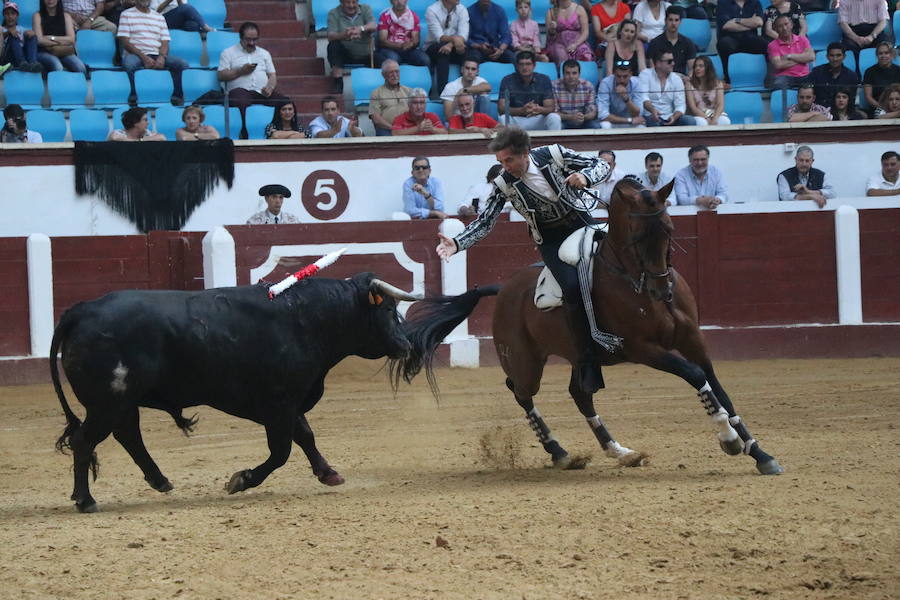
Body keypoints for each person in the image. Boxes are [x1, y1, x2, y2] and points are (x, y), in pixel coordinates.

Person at [434, 127, 612, 394]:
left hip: (582, 222)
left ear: (525, 153)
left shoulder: (555, 154)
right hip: (552, 240)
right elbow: (486, 221)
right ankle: (586, 360)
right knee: (572, 288)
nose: (505, 168)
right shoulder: (504, 183)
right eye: (501, 163)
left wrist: (585, 178)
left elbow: (601, 165)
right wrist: (457, 243)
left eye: (509, 161)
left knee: (619, 265)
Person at [217, 22, 289, 134]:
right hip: (240, 92)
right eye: (248, 40)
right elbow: (221, 75)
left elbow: (272, 75)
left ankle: (277, 131)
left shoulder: (264, 53)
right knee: (241, 100)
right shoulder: (228, 53)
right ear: (240, 38)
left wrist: (270, 87)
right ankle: (245, 133)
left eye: (255, 39)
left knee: (284, 102)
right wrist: (241, 71)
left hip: (261, 92)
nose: (251, 43)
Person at [118, 0, 188, 106]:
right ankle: (134, 96)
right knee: (128, 64)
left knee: (182, 64)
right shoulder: (126, 14)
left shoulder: (159, 17)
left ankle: (176, 96)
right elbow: (125, 42)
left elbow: (165, 42)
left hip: (156, 53)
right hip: (136, 54)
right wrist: (144, 57)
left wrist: (162, 57)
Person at [498, 50, 562, 130]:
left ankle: (554, 142)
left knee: (554, 117)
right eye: (521, 64)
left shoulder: (544, 79)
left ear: (534, 65)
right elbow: (501, 108)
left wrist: (538, 109)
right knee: (503, 118)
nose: (525, 67)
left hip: (537, 118)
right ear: (517, 66)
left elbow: (550, 108)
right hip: (517, 119)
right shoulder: (507, 80)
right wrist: (522, 110)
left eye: (528, 64)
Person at [638, 49, 700, 126]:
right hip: (650, 115)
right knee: (654, 122)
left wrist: (674, 117)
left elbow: (680, 105)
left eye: (673, 60)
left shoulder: (676, 79)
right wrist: (653, 110)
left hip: (669, 115)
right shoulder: (645, 75)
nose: (673, 63)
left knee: (690, 121)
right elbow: (644, 98)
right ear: (658, 63)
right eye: (669, 61)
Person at [327, 0, 376, 93]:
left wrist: (360, 29)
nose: (351, 5)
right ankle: (338, 83)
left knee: (385, 60)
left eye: (354, 2)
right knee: (333, 46)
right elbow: (330, 36)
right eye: (348, 2)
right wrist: (345, 35)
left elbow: (373, 25)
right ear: (341, 3)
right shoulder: (333, 13)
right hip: (346, 54)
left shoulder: (365, 8)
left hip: (366, 53)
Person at [424, 0, 469, 96]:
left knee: (468, 51)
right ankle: (443, 93)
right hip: (434, 46)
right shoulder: (432, 10)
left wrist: (451, 44)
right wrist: (454, 40)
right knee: (443, 52)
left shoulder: (462, 9)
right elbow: (439, 37)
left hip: (454, 45)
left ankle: (468, 90)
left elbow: (463, 35)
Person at [715, 0, 767, 83]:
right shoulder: (723, 3)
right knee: (724, 44)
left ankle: (764, 79)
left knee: (763, 44)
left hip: (749, 38)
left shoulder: (755, 2)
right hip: (730, 38)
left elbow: (759, 22)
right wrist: (750, 24)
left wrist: (737, 20)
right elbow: (726, 25)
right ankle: (728, 79)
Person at [33, 0, 86, 73]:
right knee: (57, 66)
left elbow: (71, 39)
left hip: (63, 51)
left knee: (81, 67)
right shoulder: (37, 16)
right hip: (43, 51)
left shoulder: (66, 16)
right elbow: (40, 40)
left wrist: (51, 38)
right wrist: (62, 41)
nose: (50, 0)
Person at [375, 0, 429, 68]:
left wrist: (411, 44)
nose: (399, 2)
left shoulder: (413, 16)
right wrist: (400, 45)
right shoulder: (384, 16)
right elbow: (383, 41)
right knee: (393, 60)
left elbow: (416, 40)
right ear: (391, 1)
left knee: (424, 59)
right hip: (389, 49)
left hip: (408, 49)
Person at [766, 13, 814, 90]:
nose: (784, 28)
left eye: (786, 24)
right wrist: (802, 59)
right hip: (784, 77)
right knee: (778, 85)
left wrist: (790, 56)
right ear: (775, 29)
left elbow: (811, 57)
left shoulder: (803, 40)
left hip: (804, 75)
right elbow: (778, 65)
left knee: (819, 82)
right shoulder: (772, 45)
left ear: (791, 25)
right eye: (780, 26)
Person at [647, 6, 697, 77]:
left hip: (681, 80)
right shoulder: (655, 43)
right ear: (665, 21)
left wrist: (687, 81)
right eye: (670, 20)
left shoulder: (688, 43)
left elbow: (691, 70)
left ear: (680, 22)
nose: (673, 23)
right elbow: (652, 70)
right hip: (660, 80)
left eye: (676, 20)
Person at [807, 42, 859, 109]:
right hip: (820, 112)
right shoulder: (816, 72)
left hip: (842, 112)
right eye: (832, 55)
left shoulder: (851, 76)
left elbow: (851, 100)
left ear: (844, 56)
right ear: (827, 56)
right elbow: (809, 95)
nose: (835, 59)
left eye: (838, 55)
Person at [553, 59, 602, 129]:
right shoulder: (554, 86)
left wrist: (582, 117)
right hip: (563, 121)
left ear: (579, 74)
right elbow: (554, 113)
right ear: (562, 74)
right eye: (567, 73)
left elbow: (592, 112)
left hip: (583, 120)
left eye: (574, 73)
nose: (571, 77)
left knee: (596, 126)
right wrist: (571, 117)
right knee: (555, 124)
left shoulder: (588, 86)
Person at [597, 58, 645, 128]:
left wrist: (626, 99)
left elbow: (638, 113)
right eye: (618, 76)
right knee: (605, 125)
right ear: (614, 74)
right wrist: (629, 120)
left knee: (641, 126)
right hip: (613, 121)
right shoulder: (605, 83)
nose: (622, 80)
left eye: (625, 76)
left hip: (631, 121)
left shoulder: (637, 83)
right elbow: (603, 115)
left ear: (631, 74)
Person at [369, 58, 410, 136]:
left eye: (397, 71)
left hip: (407, 128)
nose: (395, 75)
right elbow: (376, 119)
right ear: (383, 75)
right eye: (391, 72)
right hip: (387, 129)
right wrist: (394, 128)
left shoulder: (409, 91)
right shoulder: (376, 93)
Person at [685, 54, 730, 125]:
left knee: (724, 121)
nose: (697, 68)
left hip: (714, 113)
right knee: (702, 122)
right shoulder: (689, 84)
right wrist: (707, 119)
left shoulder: (718, 83)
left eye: (701, 66)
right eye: (695, 66)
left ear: (708, 68)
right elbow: (693, 107)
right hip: (699, 114)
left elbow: (720, 105)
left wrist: (714, 119)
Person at [545, 0, 593, 65]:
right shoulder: (551, 12)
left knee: (586, 55)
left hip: (578, 42)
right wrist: (552, 30)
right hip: (559, 43)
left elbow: (585, 32)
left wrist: (575, 44)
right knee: (561, 56)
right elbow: (549, 37)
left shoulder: (579, 9)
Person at [2, 1, 42, 72]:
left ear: (17, 16)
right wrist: (8, 33)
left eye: (13, 13)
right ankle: (21, 63)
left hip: (23, 55)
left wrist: (32, 33)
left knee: (32, 36)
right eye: (7, 14)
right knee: (12, 35)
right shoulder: (2, 29)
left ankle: (33, 63)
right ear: (4, 16)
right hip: (7, 58)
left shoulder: (21, 29)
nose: (10, 16)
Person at [862, 42, 900, 117]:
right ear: (877, 55)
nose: (883, 56)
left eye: (886, 53)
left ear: (892, 54)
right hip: (877, 108)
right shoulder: (869, 72)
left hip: (897, 107)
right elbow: (868, 97)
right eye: (880, 53)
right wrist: (882, 108)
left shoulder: (899, 71)